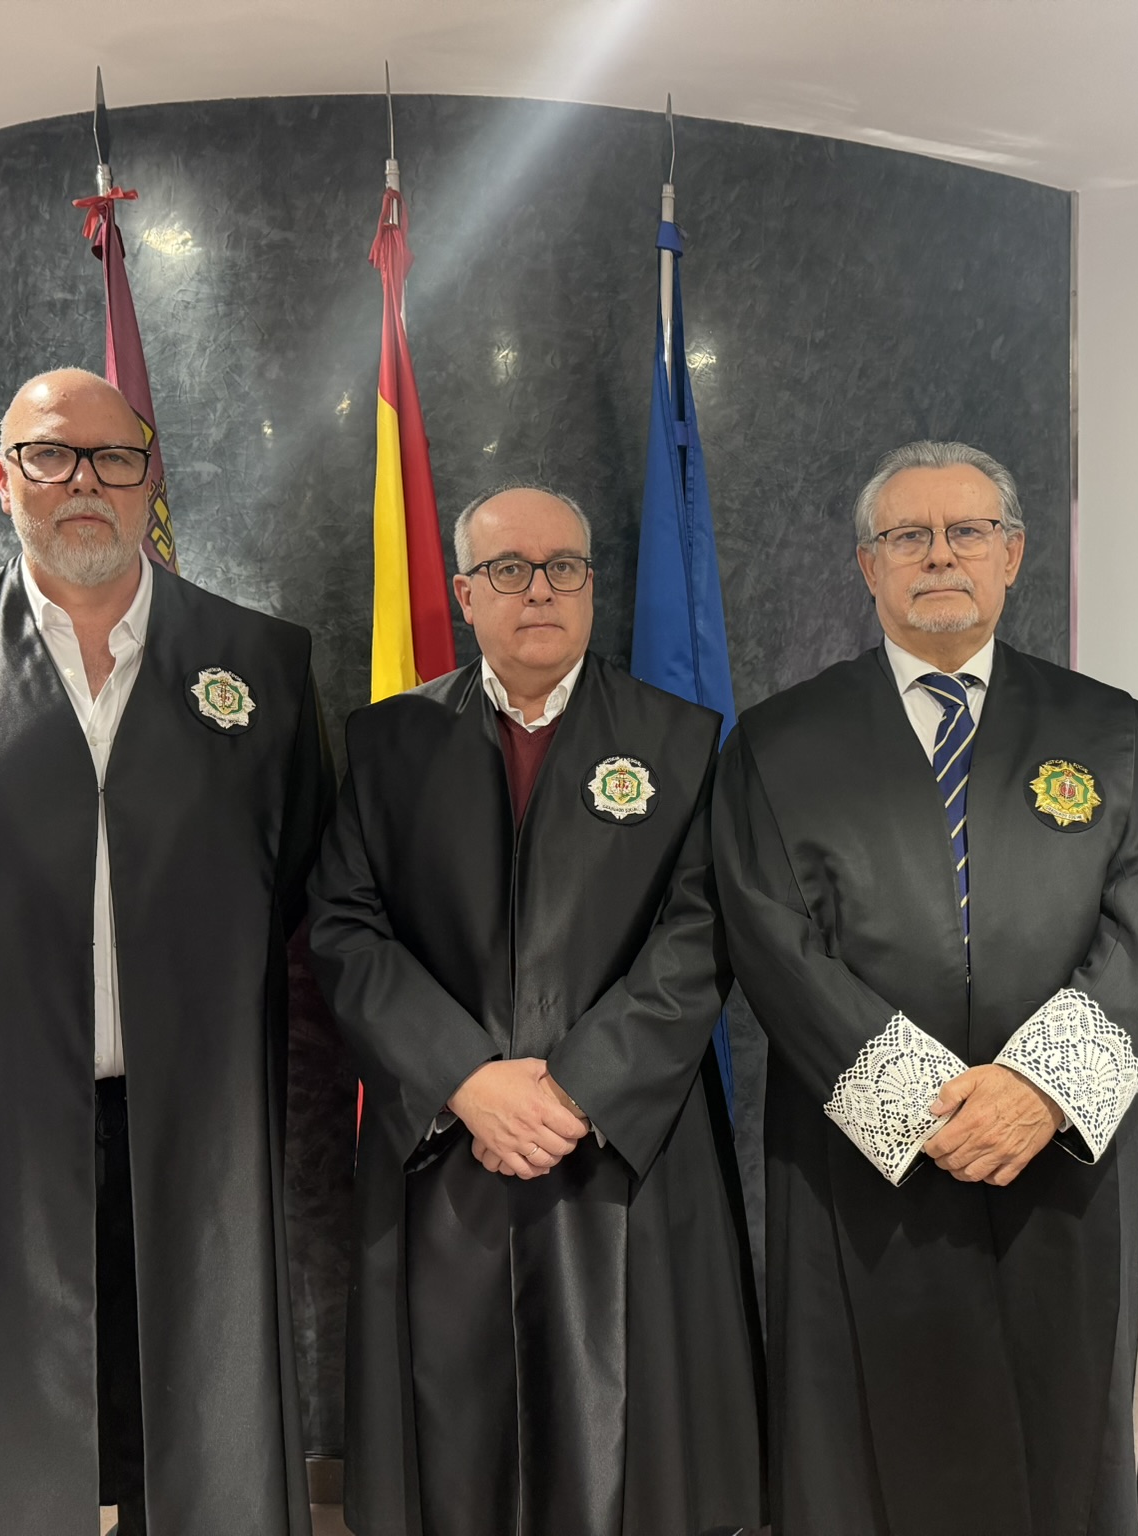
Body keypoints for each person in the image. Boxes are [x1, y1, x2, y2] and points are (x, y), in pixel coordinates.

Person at [0, 368, 332, 1536]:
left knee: (192, 1399)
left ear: (150, 480)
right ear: (4, 480)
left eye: (114, 456)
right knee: (8, 1409)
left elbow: (289, 862)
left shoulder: (258, 663)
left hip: (198, 1116)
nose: (84, 481)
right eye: (49, 456)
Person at [711, 440, 1138, 1536]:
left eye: (966, 531)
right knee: (864, 1437)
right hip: (864, 1155)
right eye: (908, 536)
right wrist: (923, 1106)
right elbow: (769, 936)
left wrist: (1040, 1090)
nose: (939, 555)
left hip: (1056, 1149)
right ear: (868, 566)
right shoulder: (778, 743)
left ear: (1011, 554)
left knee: (1061, 1428)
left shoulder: (1115, 734)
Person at [307, 485, 762, 1536]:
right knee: (455, 1447)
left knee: (633, 1457)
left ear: (593, 587)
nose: (540, 590)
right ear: (465, 594)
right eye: (508, 570)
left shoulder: (682, 741)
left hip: (620, 1141)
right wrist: (464, 1078)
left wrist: (575, 1089)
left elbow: (702, 934)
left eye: (564, 567)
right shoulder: (386, 744)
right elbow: (344, 925)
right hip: (447, 1138)